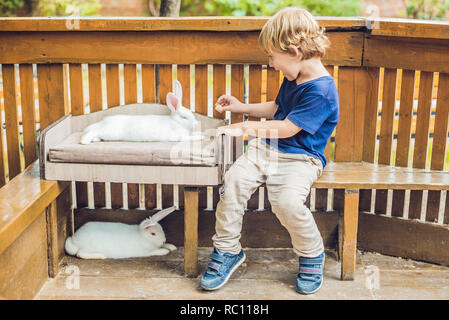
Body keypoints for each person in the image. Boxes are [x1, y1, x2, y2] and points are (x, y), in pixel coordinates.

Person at [200, 6, 339, 295]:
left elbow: (289, 128)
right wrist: (242, 108)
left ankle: (312, 253)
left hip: (301, 158)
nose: (272, 64)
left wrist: (246, 128)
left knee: (287, 202)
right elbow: (278, 109)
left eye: (272, 57)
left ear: (293, 51)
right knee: (233, 182)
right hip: (266, 149)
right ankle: (227, 251)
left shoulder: (322, 91)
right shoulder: (294, 78)